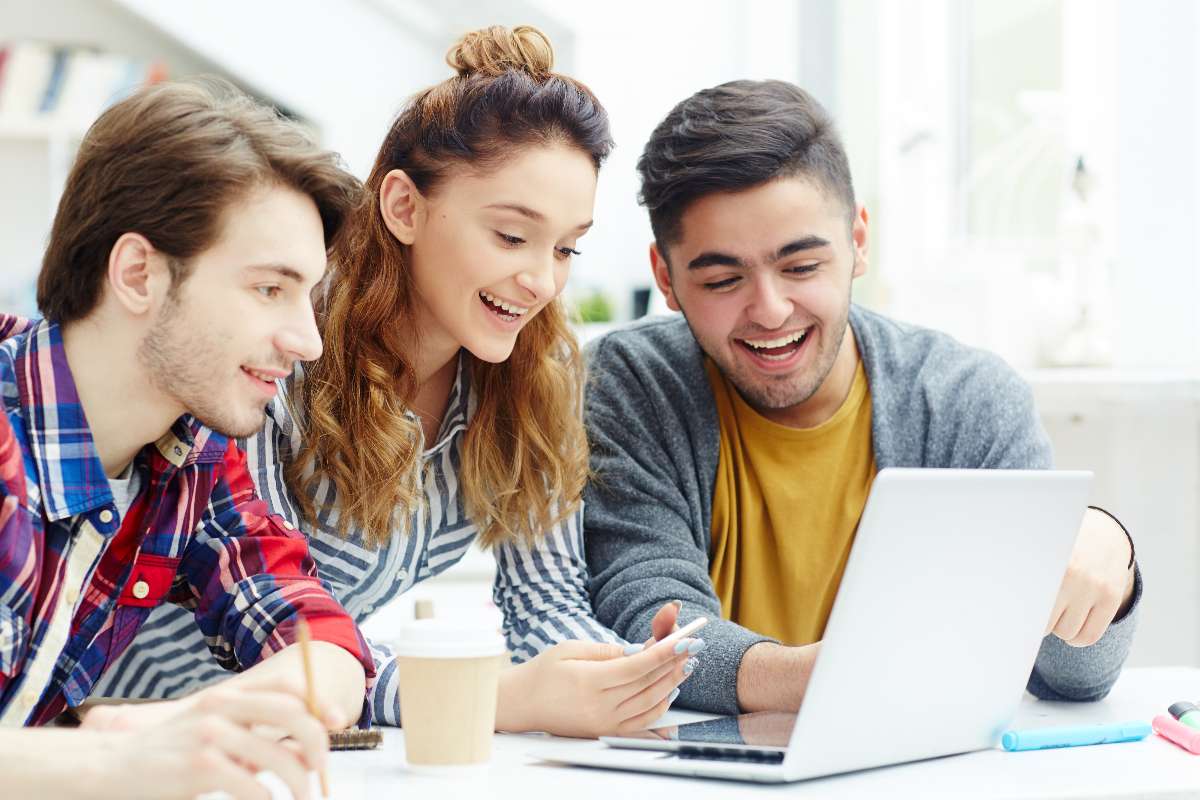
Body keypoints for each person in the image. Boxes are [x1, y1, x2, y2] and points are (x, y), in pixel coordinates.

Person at [98, 25, 696, 738]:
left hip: (302, 728)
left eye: (566, 247)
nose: (541, 281)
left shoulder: (535, 371)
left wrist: (622, 675)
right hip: (122, 718)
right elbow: (263, 627)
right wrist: (491, 696)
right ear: (404, 207)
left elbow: (545, 602)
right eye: (511, 236)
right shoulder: (283, 345)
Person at [583, 79, 1141, 715]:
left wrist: (1107, 559)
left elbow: (1070, 678)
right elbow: (647, 619)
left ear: (858, 242)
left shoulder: (965, 399)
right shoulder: (628, 385)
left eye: (801, 267)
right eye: (722, 279)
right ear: (667, 278)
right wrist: (837, 675)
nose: (769, 310)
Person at [0, 79, 376, 798]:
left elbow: (326, 651)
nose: (309, 342)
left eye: (310, 296)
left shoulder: (191, 460)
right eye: (270, 289)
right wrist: (116, 763)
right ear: (138, 273)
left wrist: (187, 728)